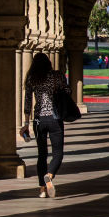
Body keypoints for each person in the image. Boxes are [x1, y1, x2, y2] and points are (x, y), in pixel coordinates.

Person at [19, 53, 69, 198]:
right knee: (57, 153)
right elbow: (67, 91)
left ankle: (42, 189)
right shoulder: (57, 76)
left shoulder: (31, 78)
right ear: (48, 63)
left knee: (42, 155)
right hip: (55, 118)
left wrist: (26, 123)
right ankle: (50, 175)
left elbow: (27, 102)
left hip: (38, 120)